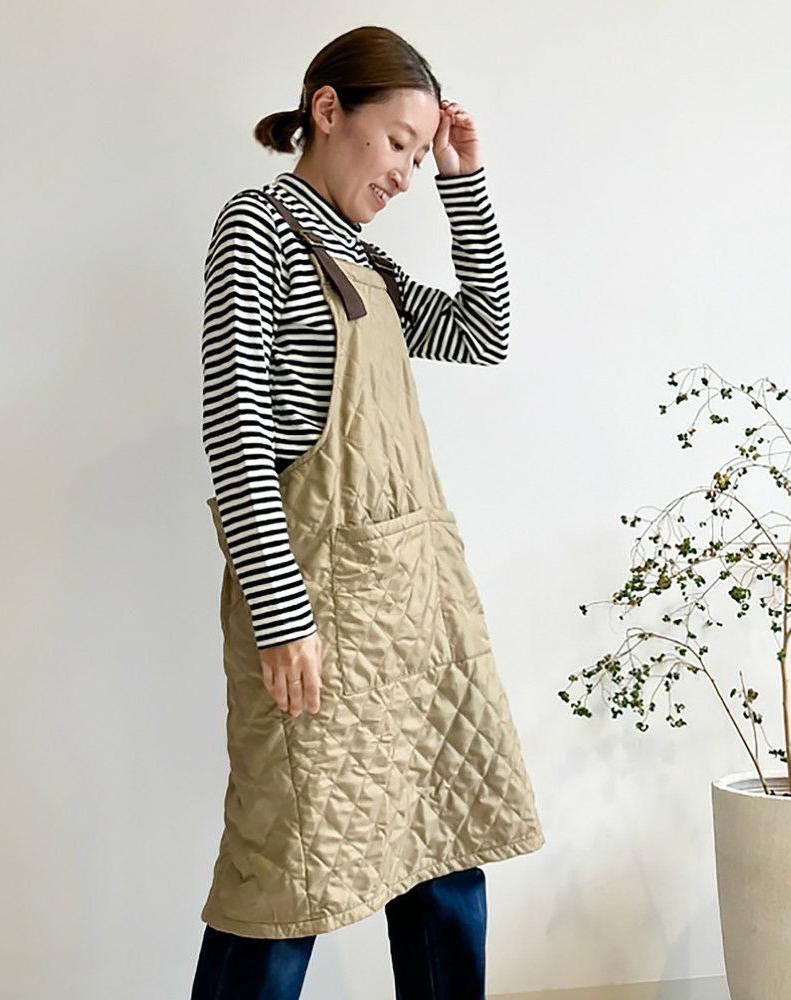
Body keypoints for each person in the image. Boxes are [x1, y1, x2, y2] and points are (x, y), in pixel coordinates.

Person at [191, 24, 545, 1000]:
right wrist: (280, 615)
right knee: (286, 880)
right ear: (326, 110)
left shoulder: (366, 260)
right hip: (316, 611)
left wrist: (462, 183)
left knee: (441, 856)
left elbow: (482, 332)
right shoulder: (259, 228)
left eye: (418, 157)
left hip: (413, 613)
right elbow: (236, 427)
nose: (404, 173)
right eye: (397, 143)